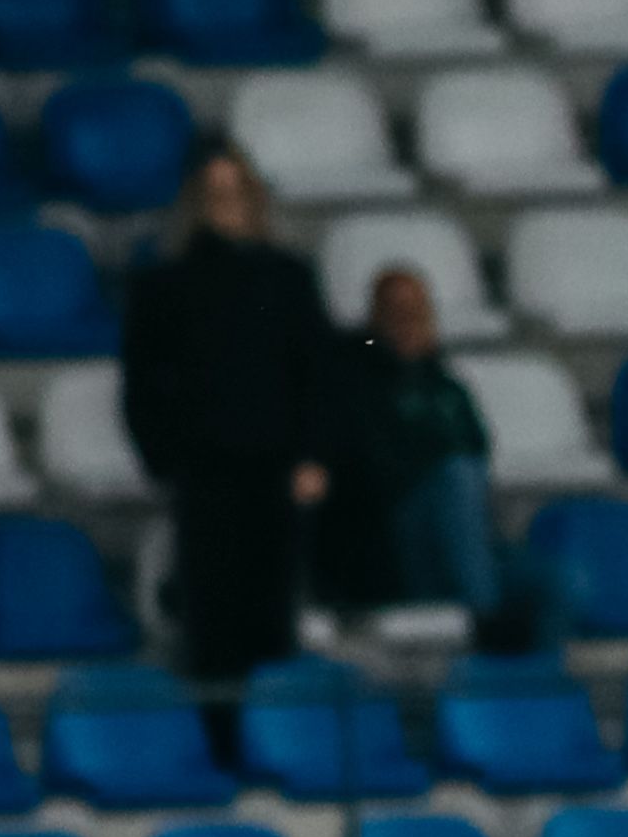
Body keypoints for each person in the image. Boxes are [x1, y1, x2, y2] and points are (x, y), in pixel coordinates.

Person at [118, 143, 339, 727]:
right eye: (215, 195)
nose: (227, 206)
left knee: (273, 614)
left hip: (275, 470)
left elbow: (316, 372)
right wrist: (165, 459)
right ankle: (221, 740)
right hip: (205, 473)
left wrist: (314, 455)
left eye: (235, 193)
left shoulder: (290, 279)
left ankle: (275, 735)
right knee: (212, 617)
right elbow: (141, 385)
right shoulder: (164, 286)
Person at [314, 263, 505, 651]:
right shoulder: (355, 379)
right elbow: (376, 464)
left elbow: (478, 447)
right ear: (375, 318)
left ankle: (534, 696)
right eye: (395, 311)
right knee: (455, 477)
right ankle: (487, 629)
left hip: (463, 533)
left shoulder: (446, 385)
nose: (408, 321)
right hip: (396, 534)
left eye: (417, 310)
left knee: (557, 582)